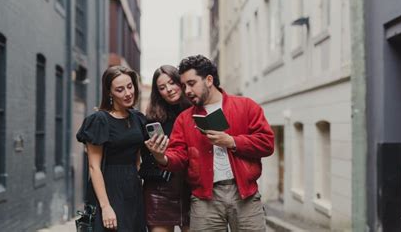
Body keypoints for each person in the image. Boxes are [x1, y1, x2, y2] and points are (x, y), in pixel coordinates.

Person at [145, 55, 274, 232]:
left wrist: (232, 141)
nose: (187, 90)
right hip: (204, 198)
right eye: (184, 86)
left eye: (191, 83)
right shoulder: (184, 119)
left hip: (245, 194)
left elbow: (267, 143)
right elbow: (179, 156)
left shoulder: (246, 106)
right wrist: (162, 157)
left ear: (209, 80)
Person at [76, 65, 146, 232]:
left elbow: (137, 157)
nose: (128, 93)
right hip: (109, 189)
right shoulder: (100, 120)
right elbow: (94, 167)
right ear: (110, 93)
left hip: (133, 190)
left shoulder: (137, 118)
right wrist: (106, 207)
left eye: (130, 86)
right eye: (120, 89)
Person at [141, 65, 191, 232]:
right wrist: (157, 155)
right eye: (162, 87)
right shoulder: (152, 119)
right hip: (160, 189)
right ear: (158, 93)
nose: (169, 89)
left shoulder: (196, 112)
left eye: (172, 83)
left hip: (193, 188)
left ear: (180, 82)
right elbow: (146, 159)